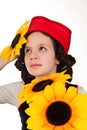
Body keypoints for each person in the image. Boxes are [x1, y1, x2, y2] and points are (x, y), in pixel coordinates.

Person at [0, 16, 87, 130]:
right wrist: (8, 56)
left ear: (58, 57)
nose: (32, 56)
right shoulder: (20, 91)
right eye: (28, 50)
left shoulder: (77, 93)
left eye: (42, 48)